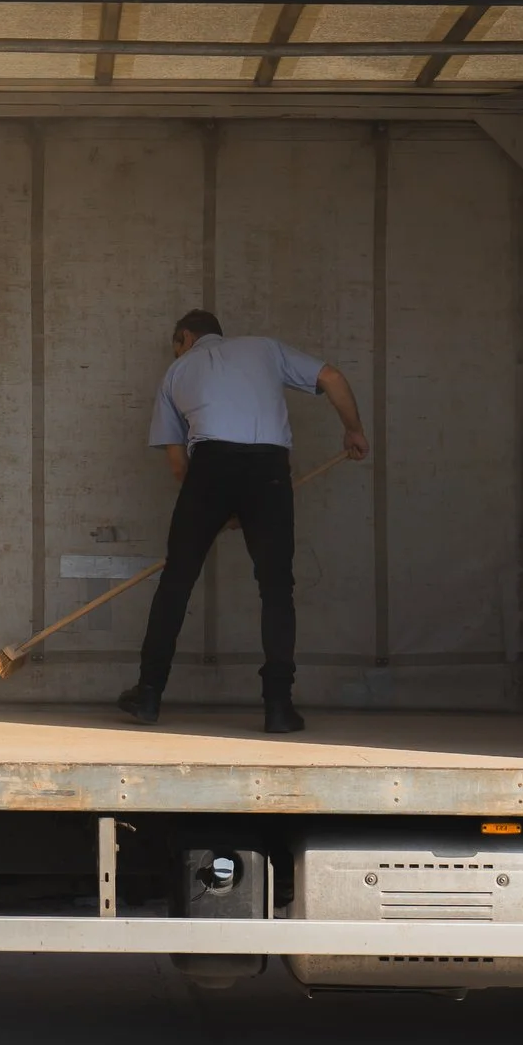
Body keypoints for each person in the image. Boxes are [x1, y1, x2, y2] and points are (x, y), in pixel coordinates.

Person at [119, 310, 368, 734]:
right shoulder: (264, 348)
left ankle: (147, 694)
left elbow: (179, 466)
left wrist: (219, 508)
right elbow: (333, 378)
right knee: (276, 589)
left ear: (185, 337)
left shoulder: (176, 372)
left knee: (176, 583)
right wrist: (354, 430)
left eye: (175, 344)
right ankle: (278, 706)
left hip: (209, 469)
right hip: (268, 470)